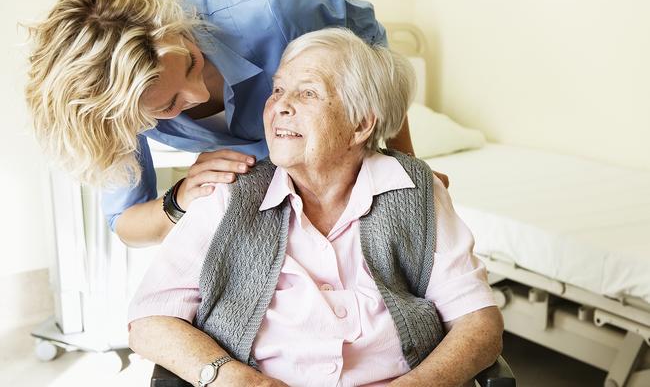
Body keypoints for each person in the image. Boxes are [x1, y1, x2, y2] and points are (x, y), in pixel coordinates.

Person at [128, 28, 503, 387]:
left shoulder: (415, 192)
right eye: (277, 90)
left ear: (360, 125)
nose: (280, 107)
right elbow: (150, 320)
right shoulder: (227, 197)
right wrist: (235, 378)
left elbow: (478, 323)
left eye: (307, 94)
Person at [25, 0, 447, 247]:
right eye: (168, 107)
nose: (194, 97)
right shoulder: (113, 114)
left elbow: (374, 64)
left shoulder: (273, 8)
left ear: (170, 28)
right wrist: (181, 198)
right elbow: (127, 224)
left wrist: (404, 169)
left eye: (191, 63)